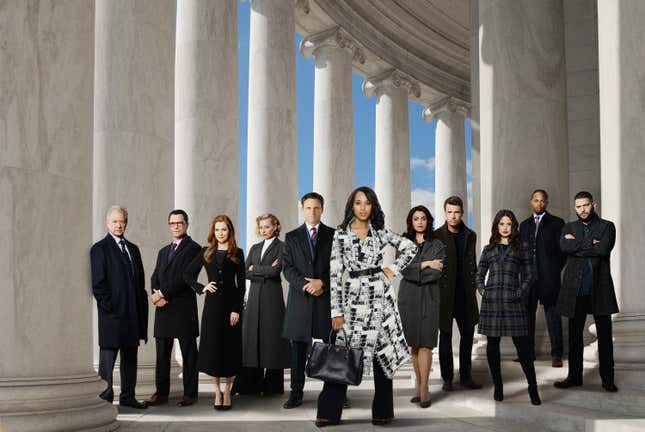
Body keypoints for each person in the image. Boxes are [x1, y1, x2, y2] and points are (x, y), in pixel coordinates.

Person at [315, 186, 417, 427]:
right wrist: (336, 311)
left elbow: (410, 247)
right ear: (352, 205)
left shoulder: (380, 232)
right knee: (341, 356)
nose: (362, 207)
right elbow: (335, 273)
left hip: (380, 300)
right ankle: (328, 412)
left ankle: (382, 412)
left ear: (373, 207)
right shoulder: (340, 234)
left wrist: (392, 269)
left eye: (367, 203)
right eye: (358, 202)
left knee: (383, 355)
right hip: (352, 299)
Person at [554, 191, 618, 392]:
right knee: (574, 336)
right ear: (575, 208)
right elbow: (565, 247)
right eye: (578, 206)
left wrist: (577, 246)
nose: (582, 209)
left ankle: (607, 379)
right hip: (575, 289)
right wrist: (591, 243)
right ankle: (574, 377)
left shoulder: (607, 226)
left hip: (600, 288)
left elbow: (603, 250)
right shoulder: (568, 227)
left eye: (586, 205)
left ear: (594, 205)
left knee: (605, 337)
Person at [477, 210, 541, 405]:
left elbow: (530, 275)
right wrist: (483, 290)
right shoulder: (488, 249)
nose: (505, 227)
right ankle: (498, 386)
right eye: (502, 224)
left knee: (523, 347)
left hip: (514, 302)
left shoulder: (522, 247)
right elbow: (478, 275)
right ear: (497, 226)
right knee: (493, 345)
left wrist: (519, 293)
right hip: (492, 302)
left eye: (509, 224)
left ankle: (533, 386)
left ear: (513, 227)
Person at [184, 215, 245, 410]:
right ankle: (217, 391)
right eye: (217, 230)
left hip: (230, 307)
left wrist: (236, 309)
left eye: (224, 229)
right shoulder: (206, 252)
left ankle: (228, 391)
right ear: (213, 232)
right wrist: (202, 287)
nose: (220, 233)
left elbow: (242, 286)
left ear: (230, 231)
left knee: (229, 348)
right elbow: (187, 274)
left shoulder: (238, 253)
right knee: (213, 349)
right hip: (212, 308)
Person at [90, 205, 149, 409]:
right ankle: (105, 399)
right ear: (107, 223)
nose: (119, 225)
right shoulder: (99, 249)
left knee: (130, 359)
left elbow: (140, 284)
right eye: (115, 221)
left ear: (126, 222)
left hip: (133, 315)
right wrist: (112, 310)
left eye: (122, 221)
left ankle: (128, 397)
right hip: (112, 316)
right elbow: (98, 286)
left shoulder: (133, 249)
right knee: (107, 361)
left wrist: (140, 312)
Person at [281, 192, 335, 409]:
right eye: (308, 208)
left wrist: (321, 282)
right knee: (298, 351)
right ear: (302, 209)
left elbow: (340, 266)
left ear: (322, 209)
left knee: (331, 348)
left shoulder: (334, 235)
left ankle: (334, 392)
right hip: (301, 301)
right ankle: (296, 393)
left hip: (325, 299)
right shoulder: (292, 236)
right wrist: (306, 285)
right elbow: (287, 268)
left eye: (316, 208)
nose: (312, 212)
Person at [146, 209, 202, 407]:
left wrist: (162, 294)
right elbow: (155, 275)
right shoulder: (163, 251)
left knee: (189, 354)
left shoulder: (195, 249)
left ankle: (190, 393)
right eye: (172, 223)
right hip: (163, 309)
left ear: (187, 224)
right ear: (169, 225)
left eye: (179, 222)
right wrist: (156, 295)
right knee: (162, 355)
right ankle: (161, 393)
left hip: (183, 308)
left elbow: (185, 277)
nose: (176, 226)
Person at [398, 205, 445, 408]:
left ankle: (424, 388)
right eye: (416, 218)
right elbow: (403, 269)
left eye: (423, 218)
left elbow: (437, 273)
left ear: (428, 221)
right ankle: (418, 385)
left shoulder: (438, 245)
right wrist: (426, 264)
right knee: (414, 345)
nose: (420, 221)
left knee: (426, 343)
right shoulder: (403, 243)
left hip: (429, 296)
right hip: (408, 298)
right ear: (411, 221)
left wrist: (416, 269)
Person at [434, 196, 482, 391]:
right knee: (444, 337)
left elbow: (472, 263)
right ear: (445, 213)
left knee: (468, 336)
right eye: (449, 212)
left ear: (462, 213)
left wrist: (475, 286)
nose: (453, 216)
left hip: (465, 294)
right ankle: (447, 379)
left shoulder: (471, 235)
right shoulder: (436, 236)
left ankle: (465, 376)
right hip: (445, 294)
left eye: (456, 212)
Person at [241, 213, 291, 394]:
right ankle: (252, 384)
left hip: (271, 296)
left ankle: (272, 385)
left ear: (275, 227)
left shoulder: (282, 247)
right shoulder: (255, 247)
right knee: (253, 336)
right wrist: (263, 270)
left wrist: (257, 269)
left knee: (271, 338)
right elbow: (244, 272)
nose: (263, 230)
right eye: (261, 227)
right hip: (254, 296)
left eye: (267, 227)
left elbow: (275, 272)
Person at [519, 190, 566, 367]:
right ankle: (528, 354)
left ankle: (557, 354)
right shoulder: (524, 225)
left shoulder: (557, 223)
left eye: (542, 201)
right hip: (528, 279)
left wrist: (553, 270)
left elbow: (563, 252)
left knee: (553, 316)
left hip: (549, 278)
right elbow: (520, 251)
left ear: (547, 203)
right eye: (536, 200)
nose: (539, 204)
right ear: (531, 202)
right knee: (527, 317)